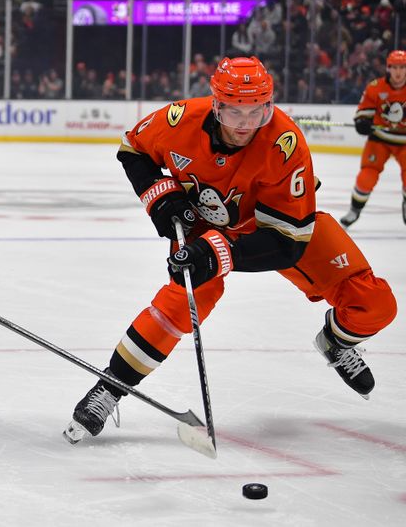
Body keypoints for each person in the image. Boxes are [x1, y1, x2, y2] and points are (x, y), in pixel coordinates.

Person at [63, 57, 397, 444]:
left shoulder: (285, 146)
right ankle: (110, 386)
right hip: (201, 222)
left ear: (268, 106)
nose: (244, 123)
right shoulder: (178, 120)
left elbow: (288, 243)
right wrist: (161, 197)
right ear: (216, 104)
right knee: (183, 302)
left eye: (256, 112)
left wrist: (217, 253)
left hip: (276, 228)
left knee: (375, 303)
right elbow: (132, 149)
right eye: (235, 111)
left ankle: (337, 342)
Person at [341, 49, 406, 227]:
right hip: (380, 139)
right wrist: (362, 121)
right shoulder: (376, 87)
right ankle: (354, 211)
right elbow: (364, 110)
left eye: (402, 67)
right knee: (366, 177)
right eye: (394, 67)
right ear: (388, 68)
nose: (398, 72)